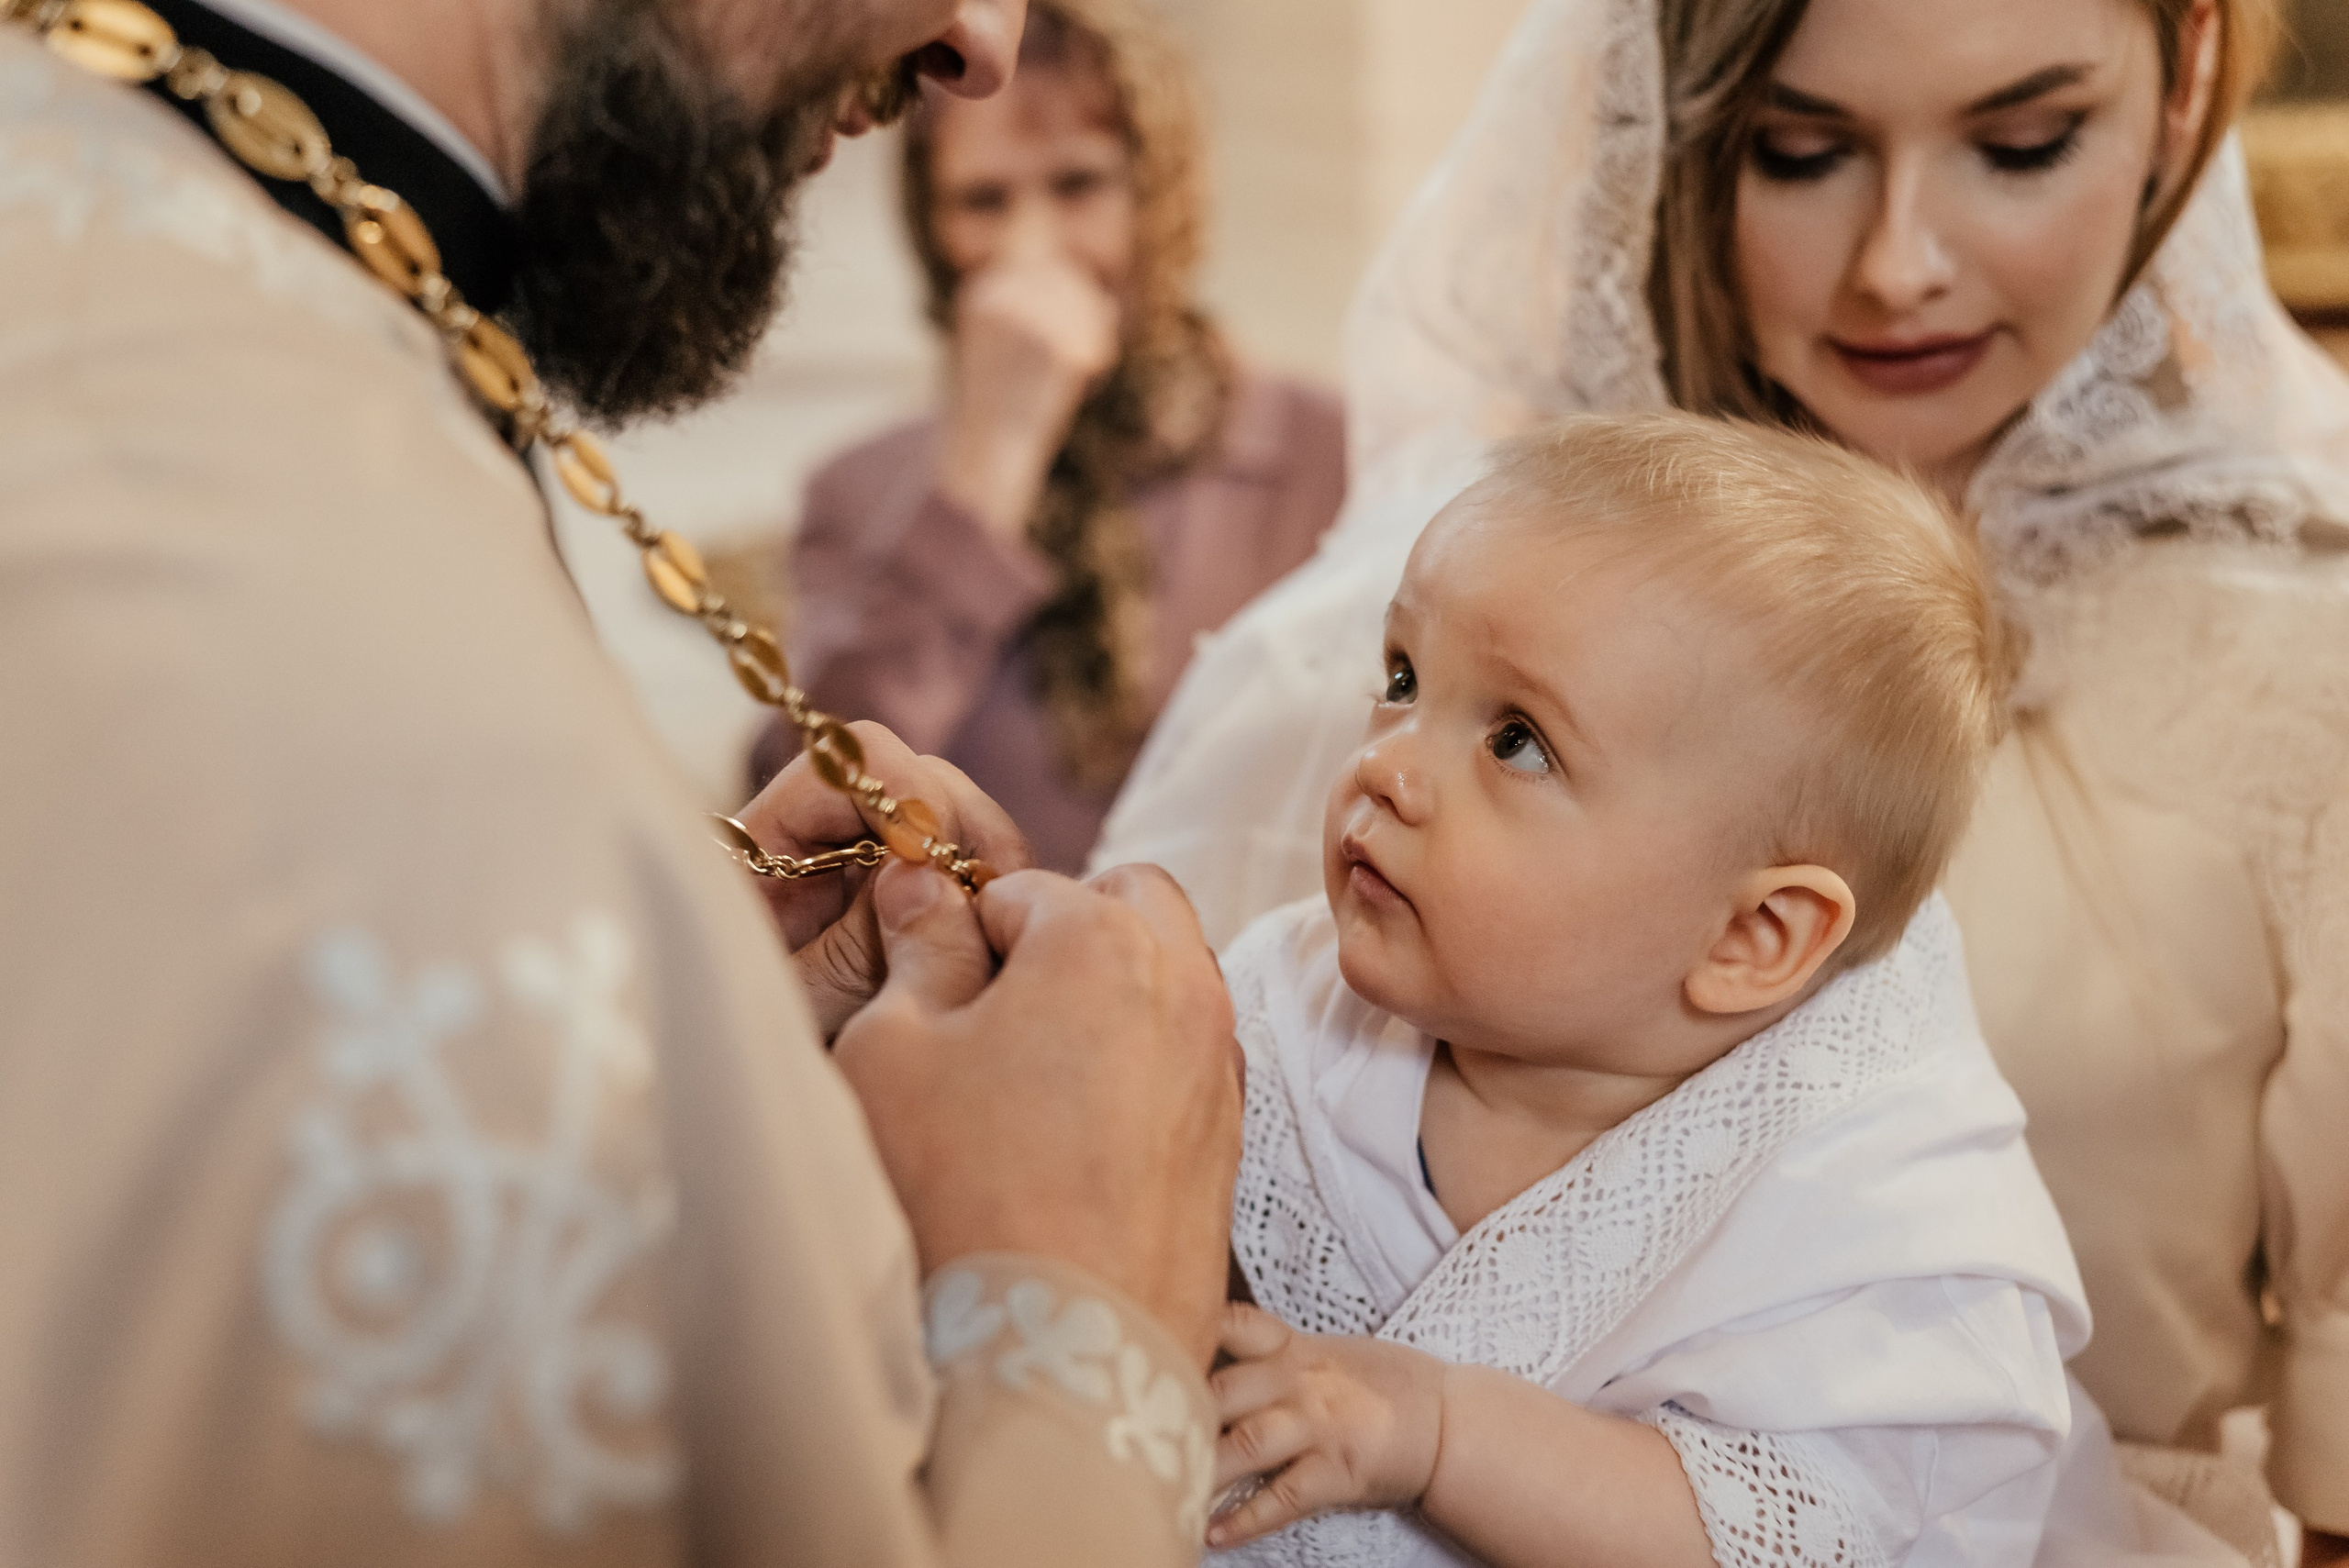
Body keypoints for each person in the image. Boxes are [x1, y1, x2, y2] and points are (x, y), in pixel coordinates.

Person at [1092, 0, 2349, 1556]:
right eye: (1799, 151)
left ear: (2185, 91)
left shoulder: (2309, 666)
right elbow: (1123, 1138)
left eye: (2020, 145)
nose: (1899, 263)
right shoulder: (1474, 583)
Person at [0, 1, 1247, 1565]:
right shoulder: (397, 731)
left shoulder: (205, 273)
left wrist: (671, 996)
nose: (978, 41)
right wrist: (1075, 1316)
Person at [1204, 414, 2120, 1568]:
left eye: (1518, 741)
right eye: (1402, 678)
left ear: (1751, 933)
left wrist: (1436, 1427)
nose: (1384, 765)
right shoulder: (1290, 1010)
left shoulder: (1873, 1218)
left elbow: (1783, 1532)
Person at [749, 0, 1346, 873]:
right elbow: (802, 813)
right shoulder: (857, 487)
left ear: (1162, 196)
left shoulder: (1325, 449)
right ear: (931, 232)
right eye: (983, 200)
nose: (1033, 245)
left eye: (1077, 184)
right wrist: (985, 468)